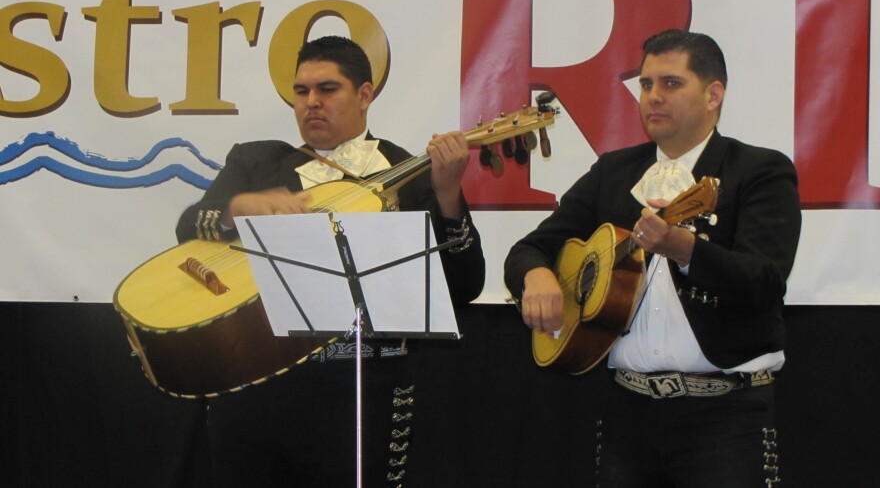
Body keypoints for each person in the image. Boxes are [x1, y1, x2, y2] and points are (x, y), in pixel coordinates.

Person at [176, 35, 485, 487]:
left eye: (327, 89)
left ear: (365, 94)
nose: (311, 103)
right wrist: (238, 208)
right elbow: (188, 227)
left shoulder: (413, 170)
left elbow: (464, 284)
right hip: (256, 387)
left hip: (365, 393)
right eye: (301, 92)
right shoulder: (257, 161)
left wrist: (448, 194)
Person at [504, 29, 801, 487]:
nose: (653, 97)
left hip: (726, 415)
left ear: (713, 94)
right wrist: (536, 274)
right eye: (645, 85)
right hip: (628, 411)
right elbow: (530, 248)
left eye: (671, 83)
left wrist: (686, 249)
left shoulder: (758, 170)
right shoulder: (615, 171)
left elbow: (764, 280)